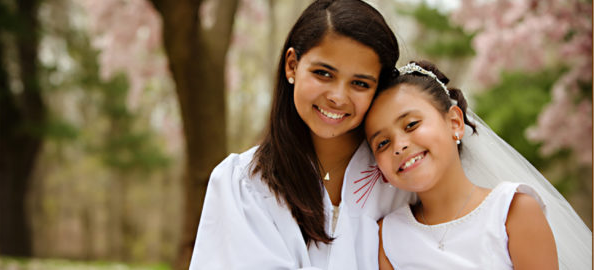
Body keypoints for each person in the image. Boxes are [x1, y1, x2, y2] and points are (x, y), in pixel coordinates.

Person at [189, 1, 413, 269]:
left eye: (360, 83)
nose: (337, 97)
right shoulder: (243, 184)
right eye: (323, 73)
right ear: (292, 65)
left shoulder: (403, 178)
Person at [365, 60, 592, 270]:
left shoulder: (512, 210)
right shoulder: (388, 235)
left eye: (411, 124)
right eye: (382, 143)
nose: (399, 146)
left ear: (455, 123)